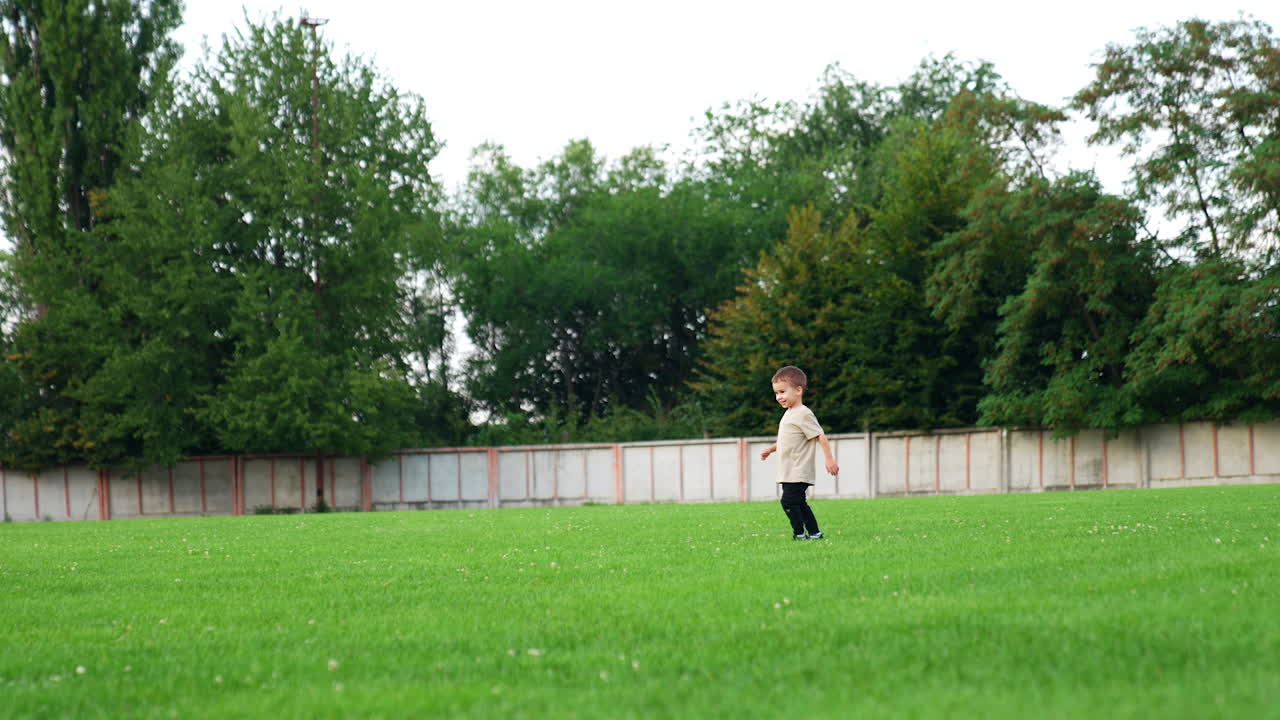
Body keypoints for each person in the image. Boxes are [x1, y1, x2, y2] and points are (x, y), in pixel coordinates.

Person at [759, 366, 839, 540]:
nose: (779, 397)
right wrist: (770, 450)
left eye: (782, 391)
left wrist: (829, 460)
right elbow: (786, 441)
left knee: (787, 502)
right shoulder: (789, 414)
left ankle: (799, 534)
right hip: (788, 470)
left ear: (798, 390)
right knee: (799, 503)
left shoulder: (803, 414)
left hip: (798, 469)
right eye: (776, 393)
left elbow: (820, 436)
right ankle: (815, 533)